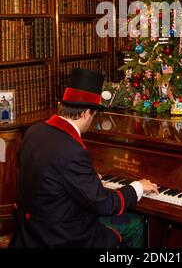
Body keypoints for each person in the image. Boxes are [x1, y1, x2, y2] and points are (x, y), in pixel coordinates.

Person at [9, 68, 158, 248]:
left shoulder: (34, 131)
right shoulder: (72, 150)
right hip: (62, 237)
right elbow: (106, 205)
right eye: (94, 115)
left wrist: (87, 182)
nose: (92, 119)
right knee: (135, 224)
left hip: (32, 230)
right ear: (87, 112)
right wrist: (138, 186)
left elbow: (50, 177)